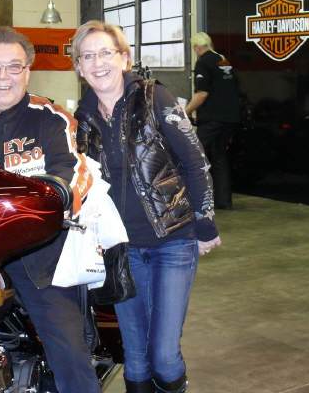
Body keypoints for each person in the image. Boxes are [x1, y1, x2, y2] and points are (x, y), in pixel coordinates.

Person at [0, 26, 101, 393]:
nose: (3, 76)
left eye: (13, 67)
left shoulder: (51, 118)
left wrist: (43, 207)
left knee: (68, 350)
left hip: (36, 256)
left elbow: (71, 176)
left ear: (27, 72)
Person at [72, 21, 221, 393]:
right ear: (78, 67)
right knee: (135, 360)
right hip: (122, 249)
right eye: (87, 56)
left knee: (164, 356)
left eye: (106, 53)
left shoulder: (156, 97)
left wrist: (205, 223)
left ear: (124, 58)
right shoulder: (82, 119)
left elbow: (196, 162)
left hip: (173, 241)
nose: (98, 62)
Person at [186, 32, 241, 209]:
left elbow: (202, 94)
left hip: (213, 119)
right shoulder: (223, 60)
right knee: (219, 157)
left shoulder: (203, 62)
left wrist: (185, 111)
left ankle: (193, 200)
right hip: (231, 118)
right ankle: (224, 201)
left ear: (196, 47)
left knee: (194, 154)